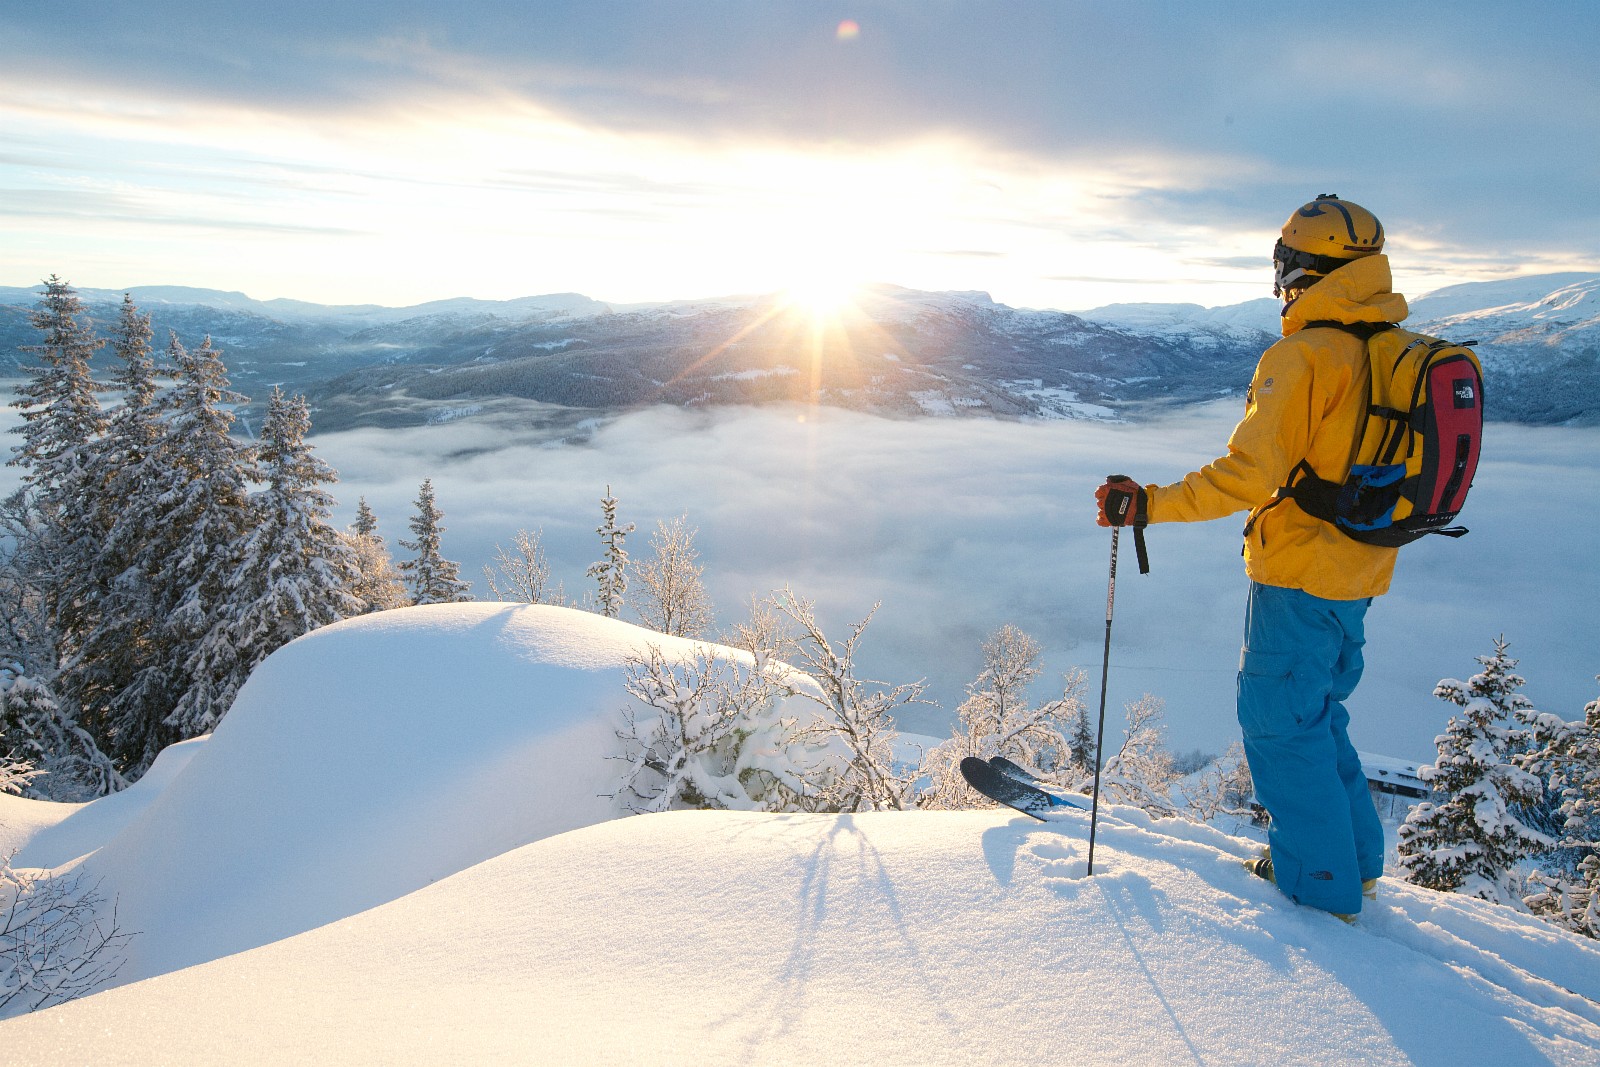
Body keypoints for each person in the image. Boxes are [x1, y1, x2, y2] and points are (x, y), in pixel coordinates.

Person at [1094, 194, 1403, 919]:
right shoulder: (1388, 348)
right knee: (1318, 714)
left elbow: (1247, 475)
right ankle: (1354, 863)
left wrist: (1149, 504)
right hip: (1359, 571)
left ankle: (1318, 886)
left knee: (1276, 723)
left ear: (1313, 269)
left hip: (1299, 573)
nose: (1283, 283)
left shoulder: (1303, 356)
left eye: (1289, 267)